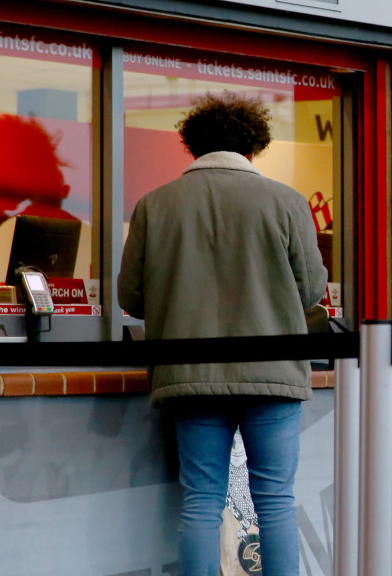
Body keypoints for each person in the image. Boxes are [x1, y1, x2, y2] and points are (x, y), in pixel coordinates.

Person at [118, 91, 326, 576]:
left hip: (191, 374)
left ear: (192, 145)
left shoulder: (155, 205)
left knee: (200, 501)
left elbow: (132, 298)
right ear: (254, 145)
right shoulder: (287, 202)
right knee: (274, 500)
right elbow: (313, 290)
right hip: (273, 373)